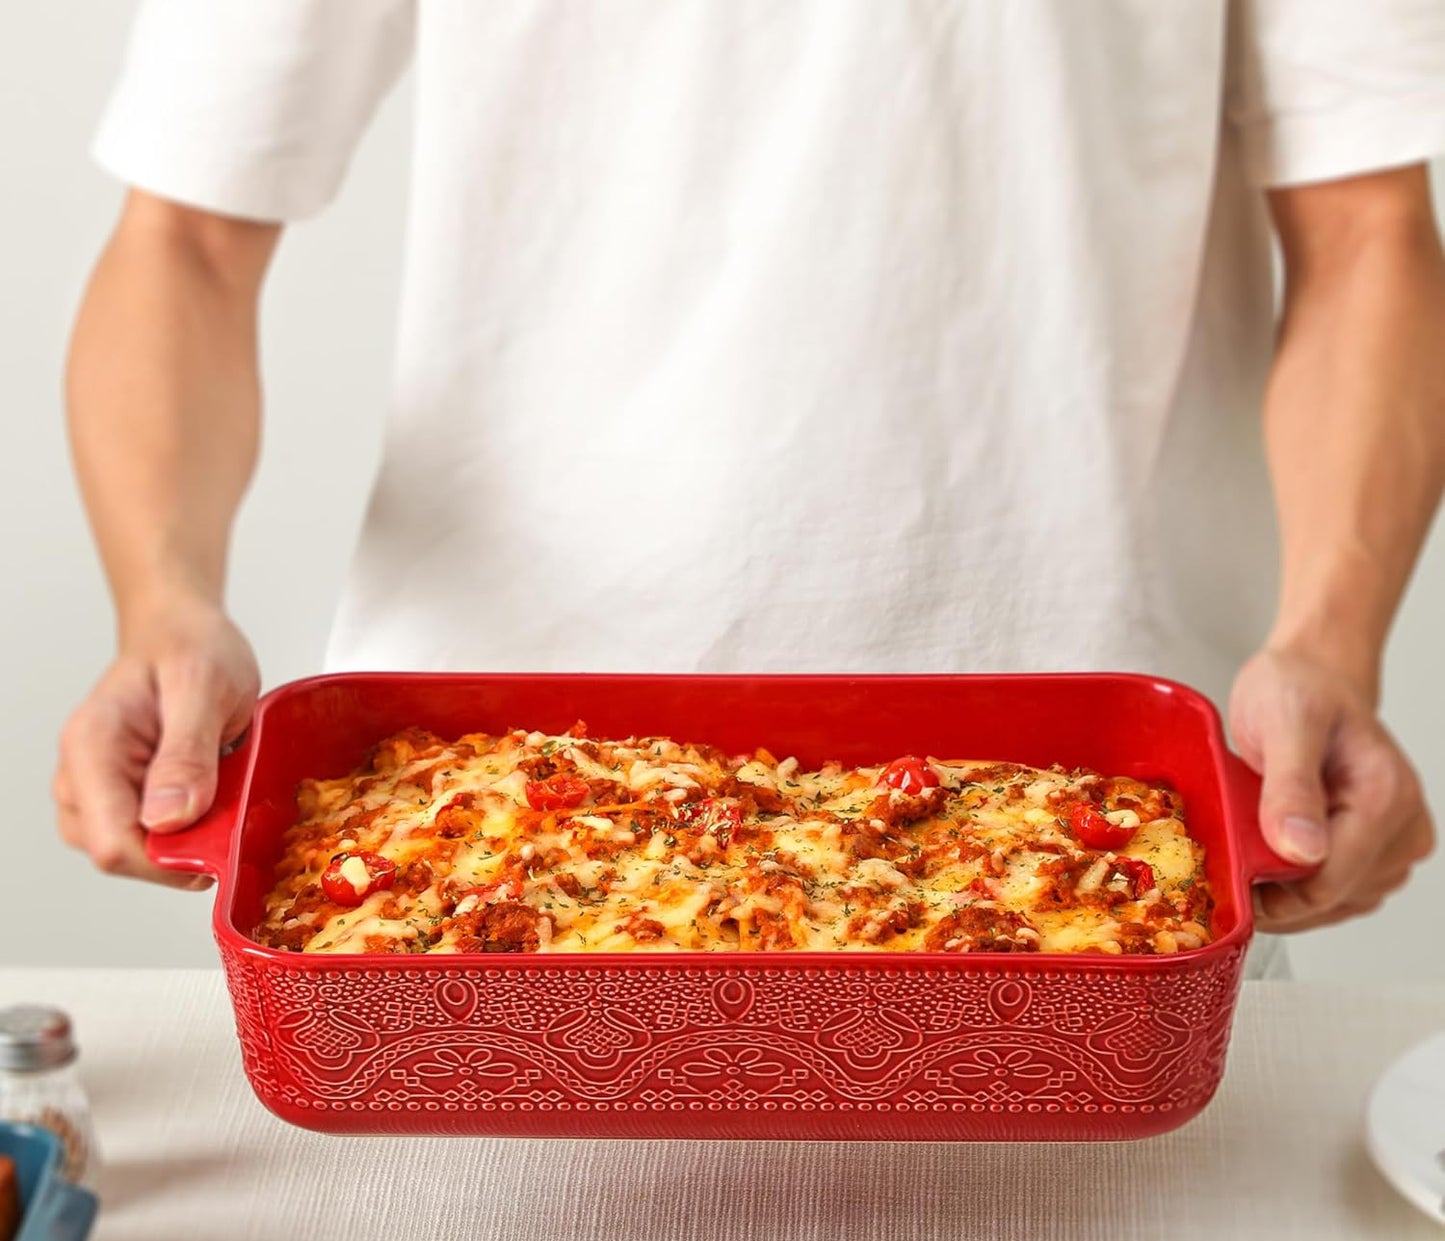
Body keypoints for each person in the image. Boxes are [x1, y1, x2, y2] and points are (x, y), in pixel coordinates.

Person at [55, 1, 1443, 973]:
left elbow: (1367, 227)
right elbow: (185, 231)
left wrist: (1330, 642)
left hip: (1095, 826)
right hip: (480, 840)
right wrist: (164, 601)